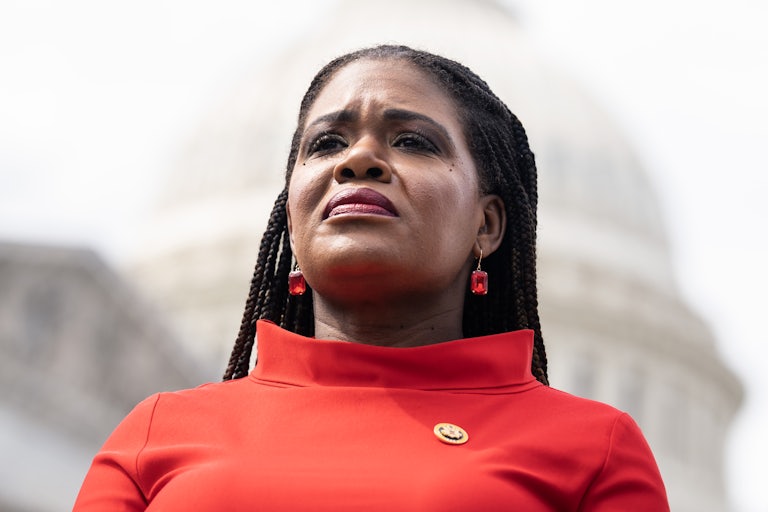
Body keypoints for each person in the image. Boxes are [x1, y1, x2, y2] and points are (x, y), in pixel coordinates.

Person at [73, 45, 669, 511]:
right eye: (327, 142)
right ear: (292, 219)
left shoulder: (594, 450)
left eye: (412, 141)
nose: (358, 160)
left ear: (487, 225)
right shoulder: (156, 433)